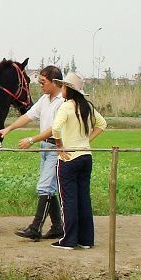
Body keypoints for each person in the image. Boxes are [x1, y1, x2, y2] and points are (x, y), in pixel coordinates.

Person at [0, 65, 64, 241]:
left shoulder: (62, 102)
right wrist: (8, 128)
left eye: (43, 82)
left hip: (57, 148)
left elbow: (55, 130)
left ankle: (36, 227)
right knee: (49, 188)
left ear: (54, 82)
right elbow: (28, 116)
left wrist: (32, 140)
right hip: (45, 149)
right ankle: (58, 227)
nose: (40, 85)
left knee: (44, 187)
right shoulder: (44, 99)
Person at [49, 72, 107, 250]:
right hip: (85, 156)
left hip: (69, 158)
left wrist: (59, 145)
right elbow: (102, 124)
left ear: (69, 90)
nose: (61, 90)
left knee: (69, 199)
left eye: (64, 87)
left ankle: (69, 239)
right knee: (83, 198)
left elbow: (56, 128)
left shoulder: (66, 107)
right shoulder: (87, 106)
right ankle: (86, 239)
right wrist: (86, 141)